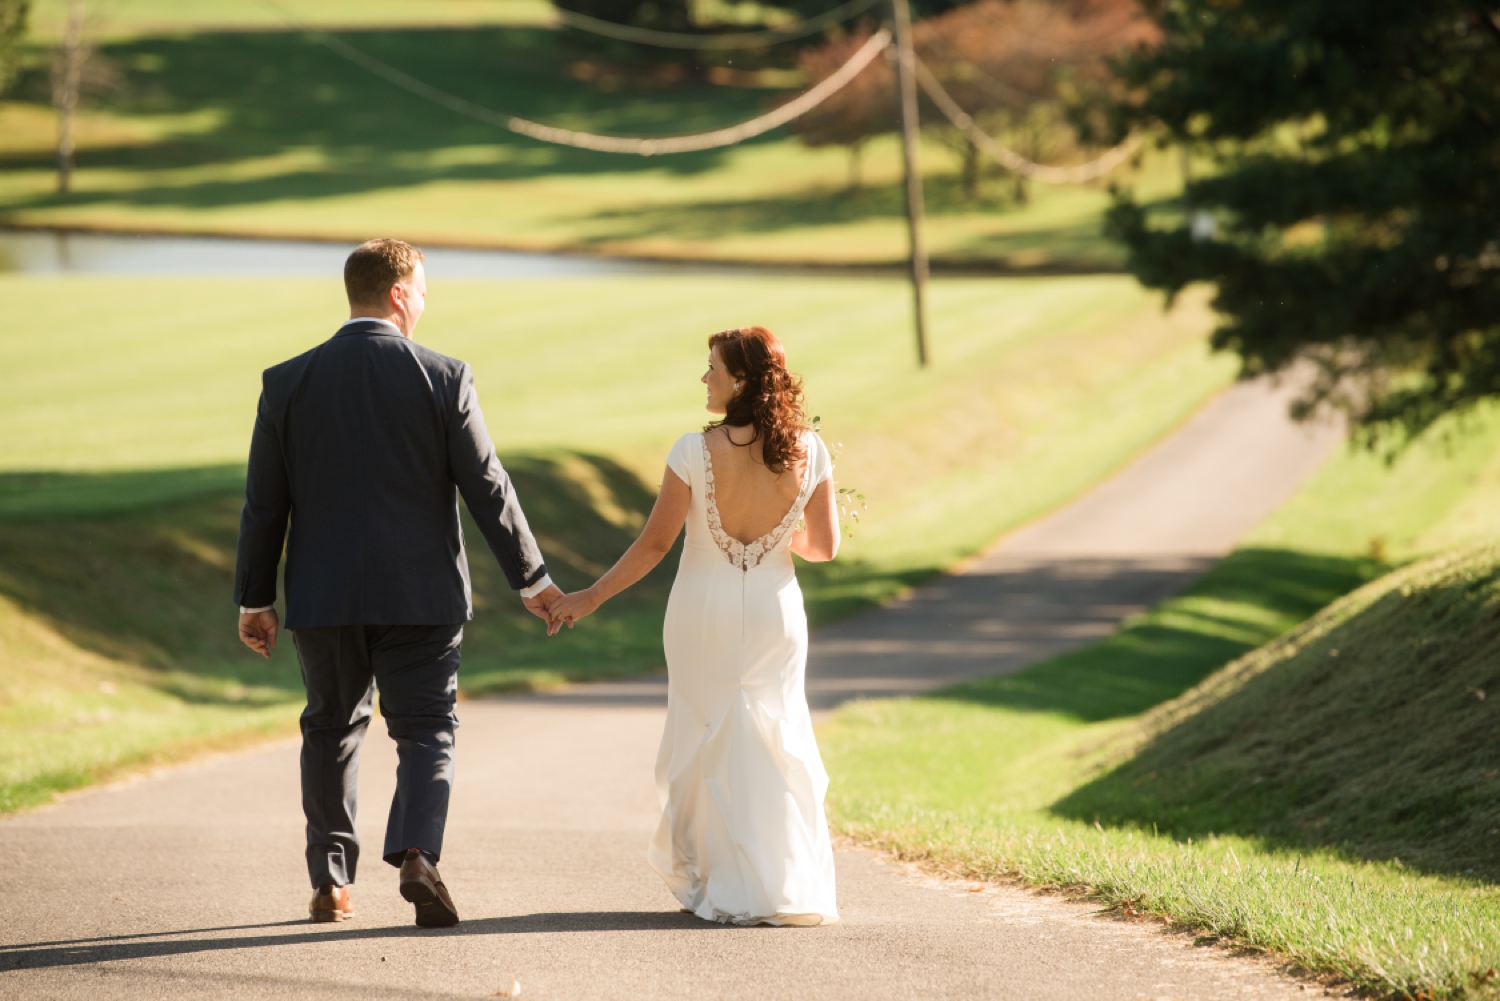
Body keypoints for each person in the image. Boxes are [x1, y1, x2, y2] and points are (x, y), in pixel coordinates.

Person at [232, 238, 562, 927]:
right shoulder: (445, 376)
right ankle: (417, 854)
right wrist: (531, 577)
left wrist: (255, 597)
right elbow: (488, 487)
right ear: (399, 294)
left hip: (324, 597)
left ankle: (329, 882)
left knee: (330, 729)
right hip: (422, 596)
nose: (425, 301)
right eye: (424, 288)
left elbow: (265, 502)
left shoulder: (286, 381)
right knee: (426, 730)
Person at [549, 326, 841, 926]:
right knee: (774, 736)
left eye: (711, 367)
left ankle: (721, 881)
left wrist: (590, 596)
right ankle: (779, 881)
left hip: (700, 610)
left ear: (738, 380)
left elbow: (656, 545)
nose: (703, 377)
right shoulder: (811, 450)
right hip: (774, 610)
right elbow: (825, 548)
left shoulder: (691, 450)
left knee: (703, 734)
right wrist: (781, 531)